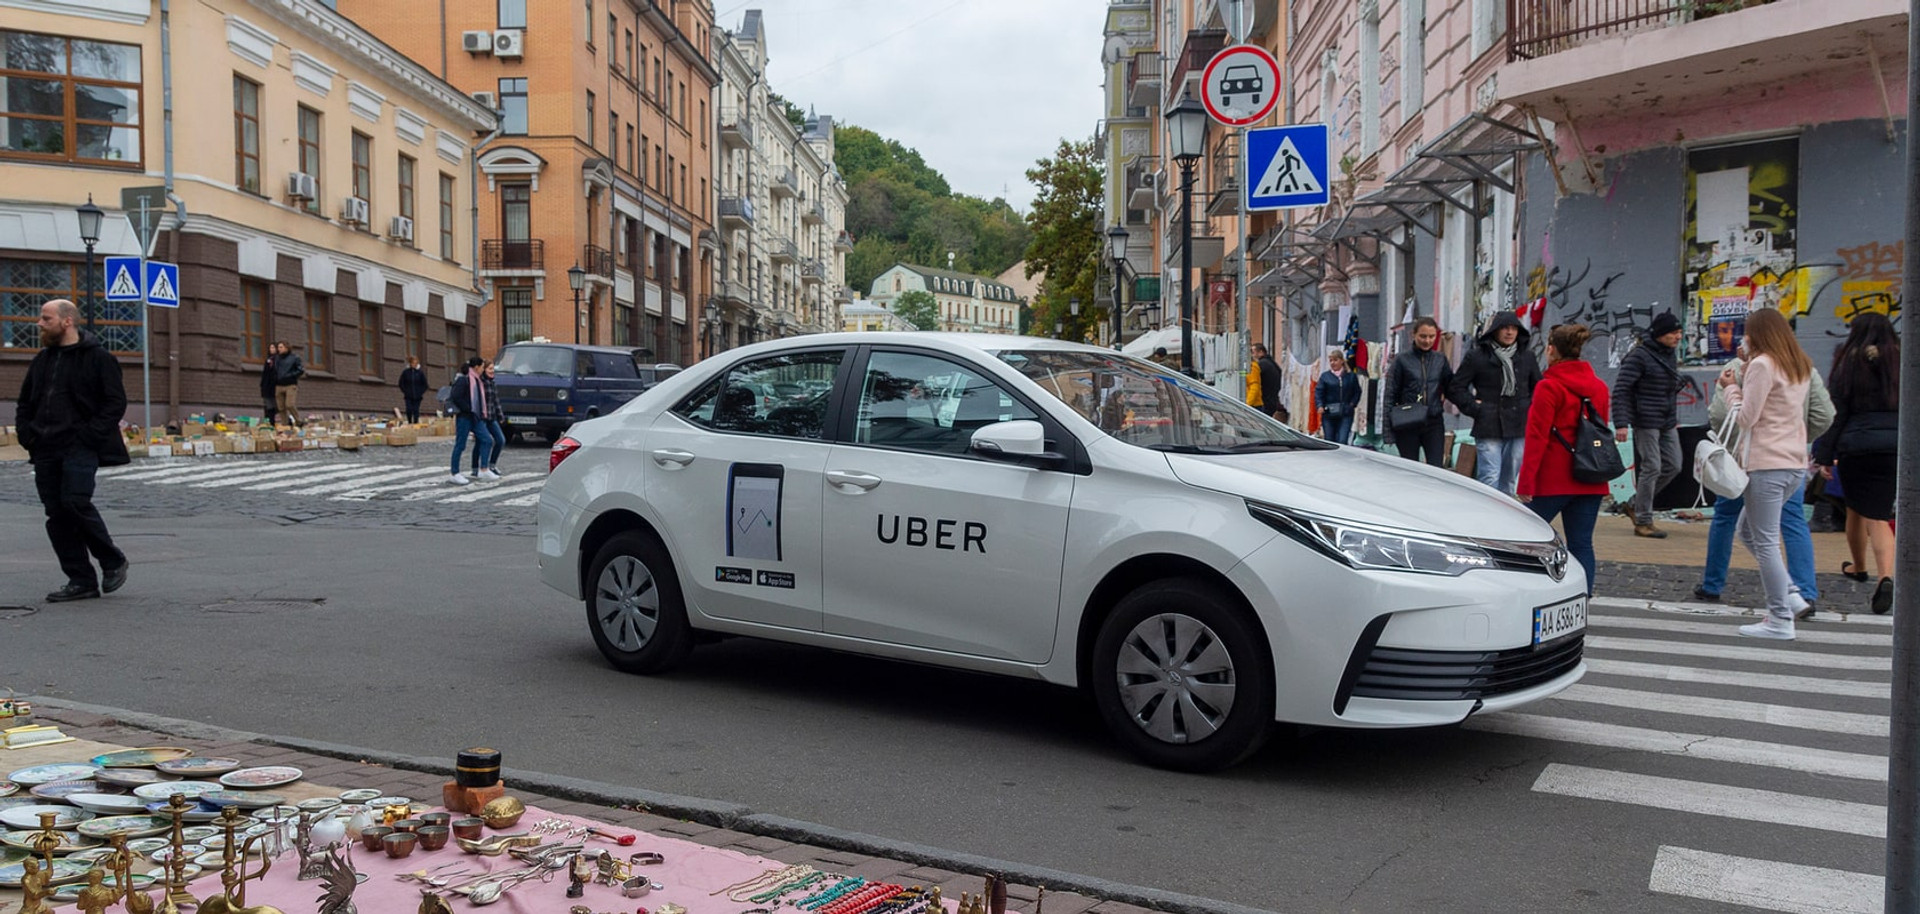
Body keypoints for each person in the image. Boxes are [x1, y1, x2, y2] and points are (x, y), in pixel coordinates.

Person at [1693, 347, 1833, 616]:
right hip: (1788, 459)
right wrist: (1799, 437)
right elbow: (1823, 414)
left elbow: (1723, 415)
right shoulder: (1801, 366)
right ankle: (1803, 591)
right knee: (1792, 522)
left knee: (1727, 519)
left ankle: (1713, 585)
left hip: (1742, 459)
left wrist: (1735, 440)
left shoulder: (1739, 368)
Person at [15, 299, 131, 603]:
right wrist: (27, 435)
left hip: (80, 445)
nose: (39, 324)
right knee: (56, 513)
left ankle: (112, 559)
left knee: (75, 502)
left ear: (67, 322)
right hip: (45, 447)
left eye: (46, 318)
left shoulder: (98, 358)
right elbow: (25, 402)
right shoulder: (42, 359)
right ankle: (80, 579)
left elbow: (114, 403)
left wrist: (90, 436)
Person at [1724, 307, 1814, 640]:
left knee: (1764, 542)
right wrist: (1747, 367)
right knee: (1747, 530)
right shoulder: (1799, 365)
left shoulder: (1763, 365)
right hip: (1793, 463)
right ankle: (1790, 595)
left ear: (1756, 333)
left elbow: (1746, 416)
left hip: (1767, 463)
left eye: (1747, 331)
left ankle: (1779, 619)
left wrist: (1731, 387)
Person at [1815, 311, 1900, 614]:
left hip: (1856, 447)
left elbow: (1836, 414)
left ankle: (1862, 567)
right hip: (1894, 448)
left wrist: (1824, 455)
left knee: (1855, 508)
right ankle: (1886, 574)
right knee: (1878, 513)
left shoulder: (1849, 362)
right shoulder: (1901, 362)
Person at [1516, 324, 1609, 596]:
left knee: (1527, 538)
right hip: (1590, 477)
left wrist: (1526, 483)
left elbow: (1537, 438)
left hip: (1553, 479)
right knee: (1582, 544)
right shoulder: (1599, 387)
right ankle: (1582, 599)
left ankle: (1530, 594)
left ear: (1552, 350)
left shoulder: (1549, 387)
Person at [1449, 311, 1542, 495]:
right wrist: (1476, 408)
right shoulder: (1477, 356)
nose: (1509, 332)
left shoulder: (1527, 357)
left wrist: (1529, 408)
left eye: (1514, 328)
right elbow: (1455, 388)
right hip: (1489, 423)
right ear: (1495, 331)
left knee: (1509, 478)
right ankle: (1488, 518)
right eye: (1505, 328)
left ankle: (1504, 520)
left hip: (1519, 423)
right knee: (1490, 476)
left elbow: (1538, 387)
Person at [1613, 311, 1685, 537]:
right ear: (1661, 334)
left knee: (1674, 465)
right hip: (1645, 420)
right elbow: (1621, 390)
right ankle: (1643, 521)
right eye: (1674, 333)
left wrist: (1672, 417)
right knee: (1652, 466)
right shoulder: (1639, 356)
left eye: (1680, 332)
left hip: (1666, 420)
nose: (1678, 337)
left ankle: (1635, 503)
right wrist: (1621, 423)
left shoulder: (1669, 354)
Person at [1384, 317, 1453, 466]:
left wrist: (1473, 405)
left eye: (1431, 336)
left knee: (1436, 469)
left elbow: (1452, 388)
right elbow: (1390, 395)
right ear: (1413, 335)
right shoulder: (1402, 360)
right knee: (1411, 470)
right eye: (1423, 336)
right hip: (1407, 422)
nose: (1427, 341)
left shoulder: (1440, 359)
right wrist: (1388, 432)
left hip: (1434, 421)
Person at [446, 356, 494, 485]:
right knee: (460, 445)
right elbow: (456, 397)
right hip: (465, 416)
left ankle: (484, 468)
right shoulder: (464, 380)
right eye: (482, 367)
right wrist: (468, 408)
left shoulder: (478, 380)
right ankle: (454, 473)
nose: (483, 369)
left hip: (476, 417)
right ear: (476, 367)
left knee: (487, 439)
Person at [1315, 348, 1362, 445]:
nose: (1333, 363)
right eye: (1331, 360)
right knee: (1329, 440)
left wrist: (1352, 404)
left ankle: (1341, 459)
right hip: (1329, 413)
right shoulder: (1325, 376)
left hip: (1346, 412)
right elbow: (1319, 392)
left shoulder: (1350, 376)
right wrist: (1320, 405)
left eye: (1335, 360)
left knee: (1342, 440)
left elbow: (1357, 391)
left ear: (1341, 361)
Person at [468, 360, 506, 479]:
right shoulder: (480, 382)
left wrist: (500, 416)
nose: (492, 371)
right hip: (482, 417)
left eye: (493, 369)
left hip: (492, 416)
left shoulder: (492, 383)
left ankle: (492, 465)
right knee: (482, 442)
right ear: (484, 370)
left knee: (500, 440)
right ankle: (476, 467)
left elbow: (496, 401)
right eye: (489, 369)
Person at [1247, 343, 1284, 421]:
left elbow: (1255, 385)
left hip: (1264, 401)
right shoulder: (1271, 362)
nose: (1252, 355)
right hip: (1273, 399)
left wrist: (1248, 403)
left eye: (1253, 352)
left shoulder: (1259, 365)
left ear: (1261, 352)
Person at [273, 340, 304, 427]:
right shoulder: (277, 358)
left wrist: (290, 376)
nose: (279, 349)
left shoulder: (294, 358)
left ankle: (298, 421)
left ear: (286, 348)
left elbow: (300, 370)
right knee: (281, 407)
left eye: (281, 347)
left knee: (289, 404)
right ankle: (285, 424)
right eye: (278, 347)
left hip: (290, 384)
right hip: (279, 385)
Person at [398, 355, 429, 424]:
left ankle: (415, 422)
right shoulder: (406, 372)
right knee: (409, 409)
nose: (414, 365)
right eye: (413, 363)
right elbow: (401, 383)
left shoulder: (420, 373)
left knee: (416, 410)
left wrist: (420, 392)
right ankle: (409, 421)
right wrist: (405, 391)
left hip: (417, 396)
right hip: (408, 395)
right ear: (410, 363)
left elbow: (425, 385)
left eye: (416, 363)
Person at [259, 347, 279, 426]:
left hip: (275, 386)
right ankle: (270, 424)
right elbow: (265, 374)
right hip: (267, 387)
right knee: (268, 407)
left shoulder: (279, 360)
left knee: (277, 406)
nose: (271, 349)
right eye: (270, 348)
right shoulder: (268, 360)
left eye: (273, 347)